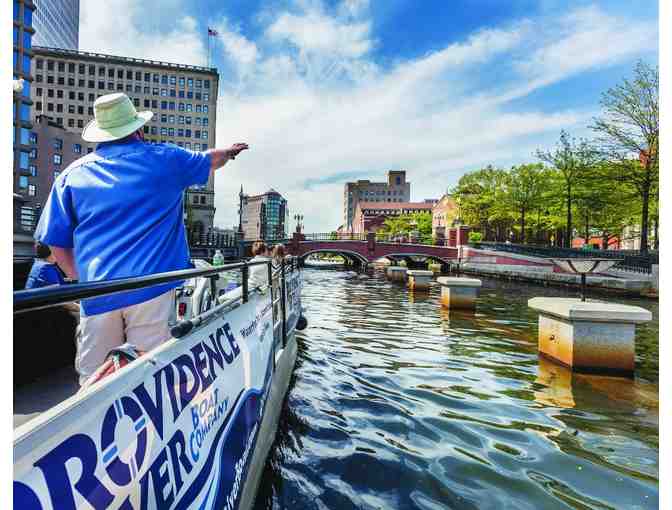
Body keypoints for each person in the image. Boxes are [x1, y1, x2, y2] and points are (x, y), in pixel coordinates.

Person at [34, 92, 249, 386]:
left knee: (94, 381)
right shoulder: (166, 160)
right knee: (151, 374)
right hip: (151, 290)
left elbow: (56, 243)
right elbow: (211, 159)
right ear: (138, 129)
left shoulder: (71, 175)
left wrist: (79, 278)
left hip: (97, 293)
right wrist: (229, 152)